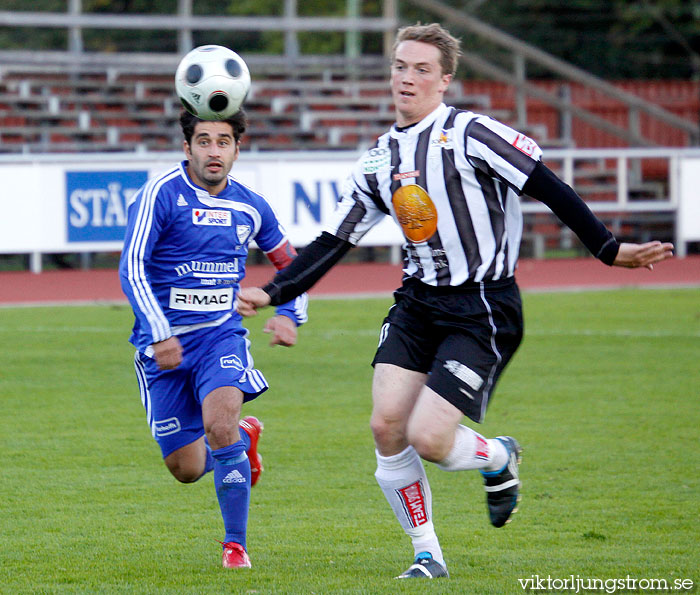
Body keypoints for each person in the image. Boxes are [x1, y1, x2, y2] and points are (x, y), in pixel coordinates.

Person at [235, 23, 674, 579]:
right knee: (385, 426)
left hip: (483, 308)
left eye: (421, 69)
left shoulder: (472, 134)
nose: (407, 78)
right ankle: (427, 555)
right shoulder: (380, 157)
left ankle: (497, 456)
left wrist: (609, 250)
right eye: (400, 66)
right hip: (417, 303)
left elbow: (548, 186)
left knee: (429, 438)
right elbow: (335, 241)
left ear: (444, 81)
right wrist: (273, 291)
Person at [119, 108, 308, 569]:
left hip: (220, 339)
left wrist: (289, 314)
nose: (214, 151)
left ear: (237, 149)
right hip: (161, 350)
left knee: (218, 425)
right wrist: (160, 332)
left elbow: (292, 263)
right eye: (204, 141)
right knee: (185, 470)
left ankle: (235, 547)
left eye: (223, 142)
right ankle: (244, 440)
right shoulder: (160, 195)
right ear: (187, 149)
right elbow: (132, 267)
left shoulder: (251, 206)